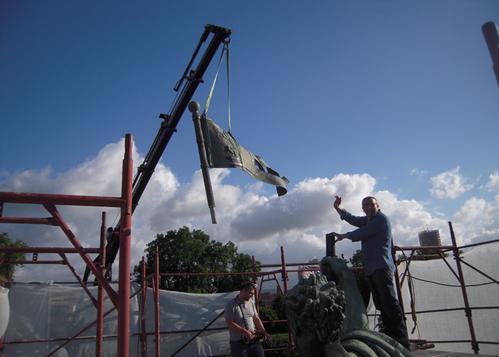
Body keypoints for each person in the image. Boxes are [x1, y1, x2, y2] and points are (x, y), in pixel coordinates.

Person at [328, 195, 410, 349]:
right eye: (365, 205)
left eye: (371, 204)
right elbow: (353, 220)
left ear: (378, 206)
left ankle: (401, 340)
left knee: (389, 303)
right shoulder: (368, 220)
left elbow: (363, 232)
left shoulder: (381, 220)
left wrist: (344, 236)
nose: (368, 207)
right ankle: (391, 337)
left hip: (381, 266)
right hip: (371, 268)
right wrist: (338, 209)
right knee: (381, 304)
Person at [224, 281, 270, 357]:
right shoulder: (231, 305)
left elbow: (256, 318)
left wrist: (264, 332)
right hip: (238, 343)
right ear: (243, 291)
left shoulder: (251, 302)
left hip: (254, 340)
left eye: (252, 293)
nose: (252, 295)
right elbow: (229, 322)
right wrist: (244, 332)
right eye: (250, 293)